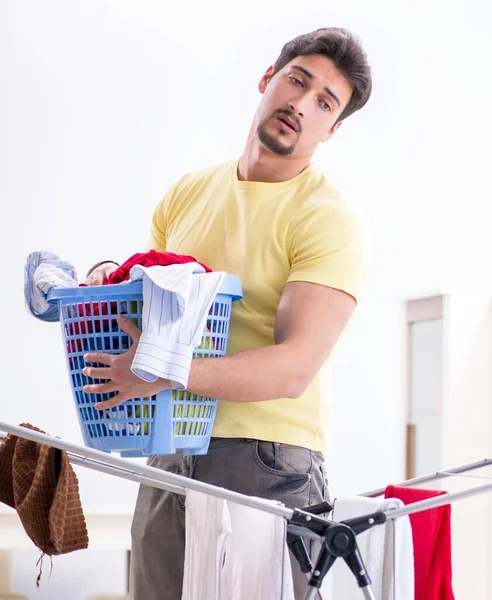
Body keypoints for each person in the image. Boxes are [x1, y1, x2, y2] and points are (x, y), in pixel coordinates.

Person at [83, 26, 372, 600]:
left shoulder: (327, 218)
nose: (301, 105)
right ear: (268, 79)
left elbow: (293, 369)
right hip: (170, 447)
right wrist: (103, 276)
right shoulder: (186, 194)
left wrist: (164, 370)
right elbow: (151, 297)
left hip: (267, 462)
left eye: (324, 103)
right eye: (297, 80)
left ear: (332, 129)